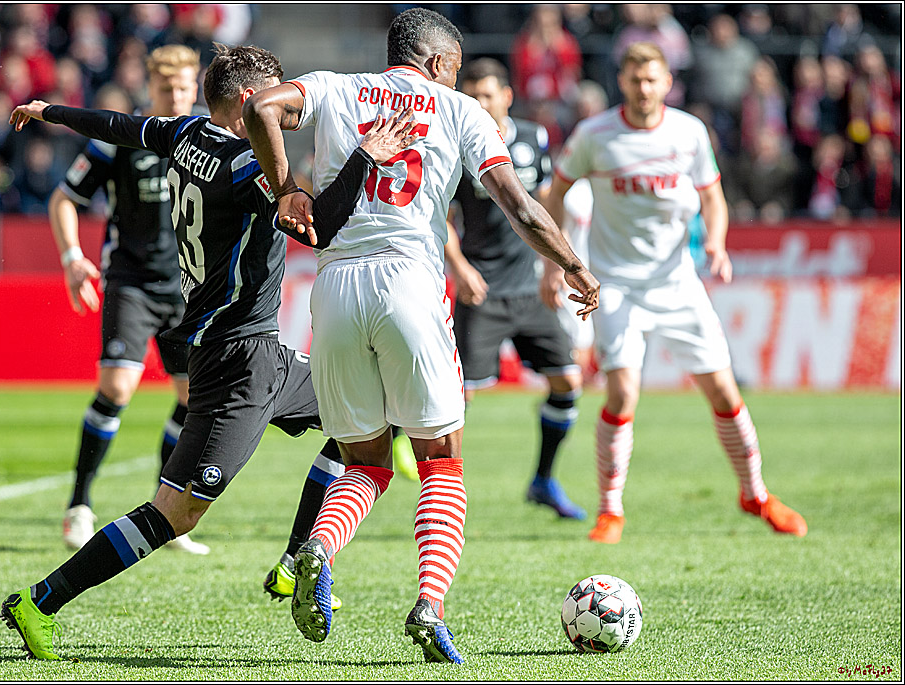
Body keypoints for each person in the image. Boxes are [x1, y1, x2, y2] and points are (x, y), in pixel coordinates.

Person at [0, 42, 419, 660]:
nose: (288, 110)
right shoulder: (246, 169)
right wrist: (365, 156)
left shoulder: (183, 134)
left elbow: (116, 126)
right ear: (252, 102)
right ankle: (39, 601)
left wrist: (50, 111)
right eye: (278, 98)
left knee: (369, 419)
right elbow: (318, 227)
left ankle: (299, 558)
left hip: (263, 353)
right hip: (234, 363)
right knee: (175, 513)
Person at [243, 7, 599, 664]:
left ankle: (315, 549)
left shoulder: (333, 88)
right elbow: (519, 205)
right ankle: (430, 604)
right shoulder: (458, 110)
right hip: (410, 280)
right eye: (456, 69)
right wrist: (572, 263)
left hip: (334, 286)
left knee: (367, 461)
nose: (457, 80)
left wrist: (285, 187)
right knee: (441, 459)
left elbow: (260, 105)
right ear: (439, 63)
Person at [542, 41, 808, 546]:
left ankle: (755, 494)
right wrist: (557, 261)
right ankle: (610, 509)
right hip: (614, 283)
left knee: (725, 392)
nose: (643, 89)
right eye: (635, 79)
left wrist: (716, 242)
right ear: (623, 81)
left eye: (652, 80)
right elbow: (556, 193)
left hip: (677, 282)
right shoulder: (595, 135)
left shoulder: (689, 132)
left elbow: (713, 198)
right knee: (623, 391)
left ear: (667, 82)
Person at [48, 46, 208, 556]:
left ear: (196, 86)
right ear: (151, 89)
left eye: (185, 89)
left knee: (191, 399)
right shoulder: (122, 137)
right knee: (117, 387)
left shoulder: (208, 139)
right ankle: (79, 504)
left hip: (189, 288)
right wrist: (73, 256)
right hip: (132, 282)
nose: (177, 98)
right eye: (167, 90)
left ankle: (162, 510)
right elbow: (64, 199)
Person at [443, 57, 585, 520]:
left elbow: (543, 203)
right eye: (473, 96)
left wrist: (552, 267)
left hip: (530, 287)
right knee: (454, 400)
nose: (480, 103)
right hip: (481, 289)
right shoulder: (454, 142)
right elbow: (441, 218)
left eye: (488, 94)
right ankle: (425, 477)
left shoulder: (533, 137)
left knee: (567, 381)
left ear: (507, 96)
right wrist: (460, 267)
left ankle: (544, 480)